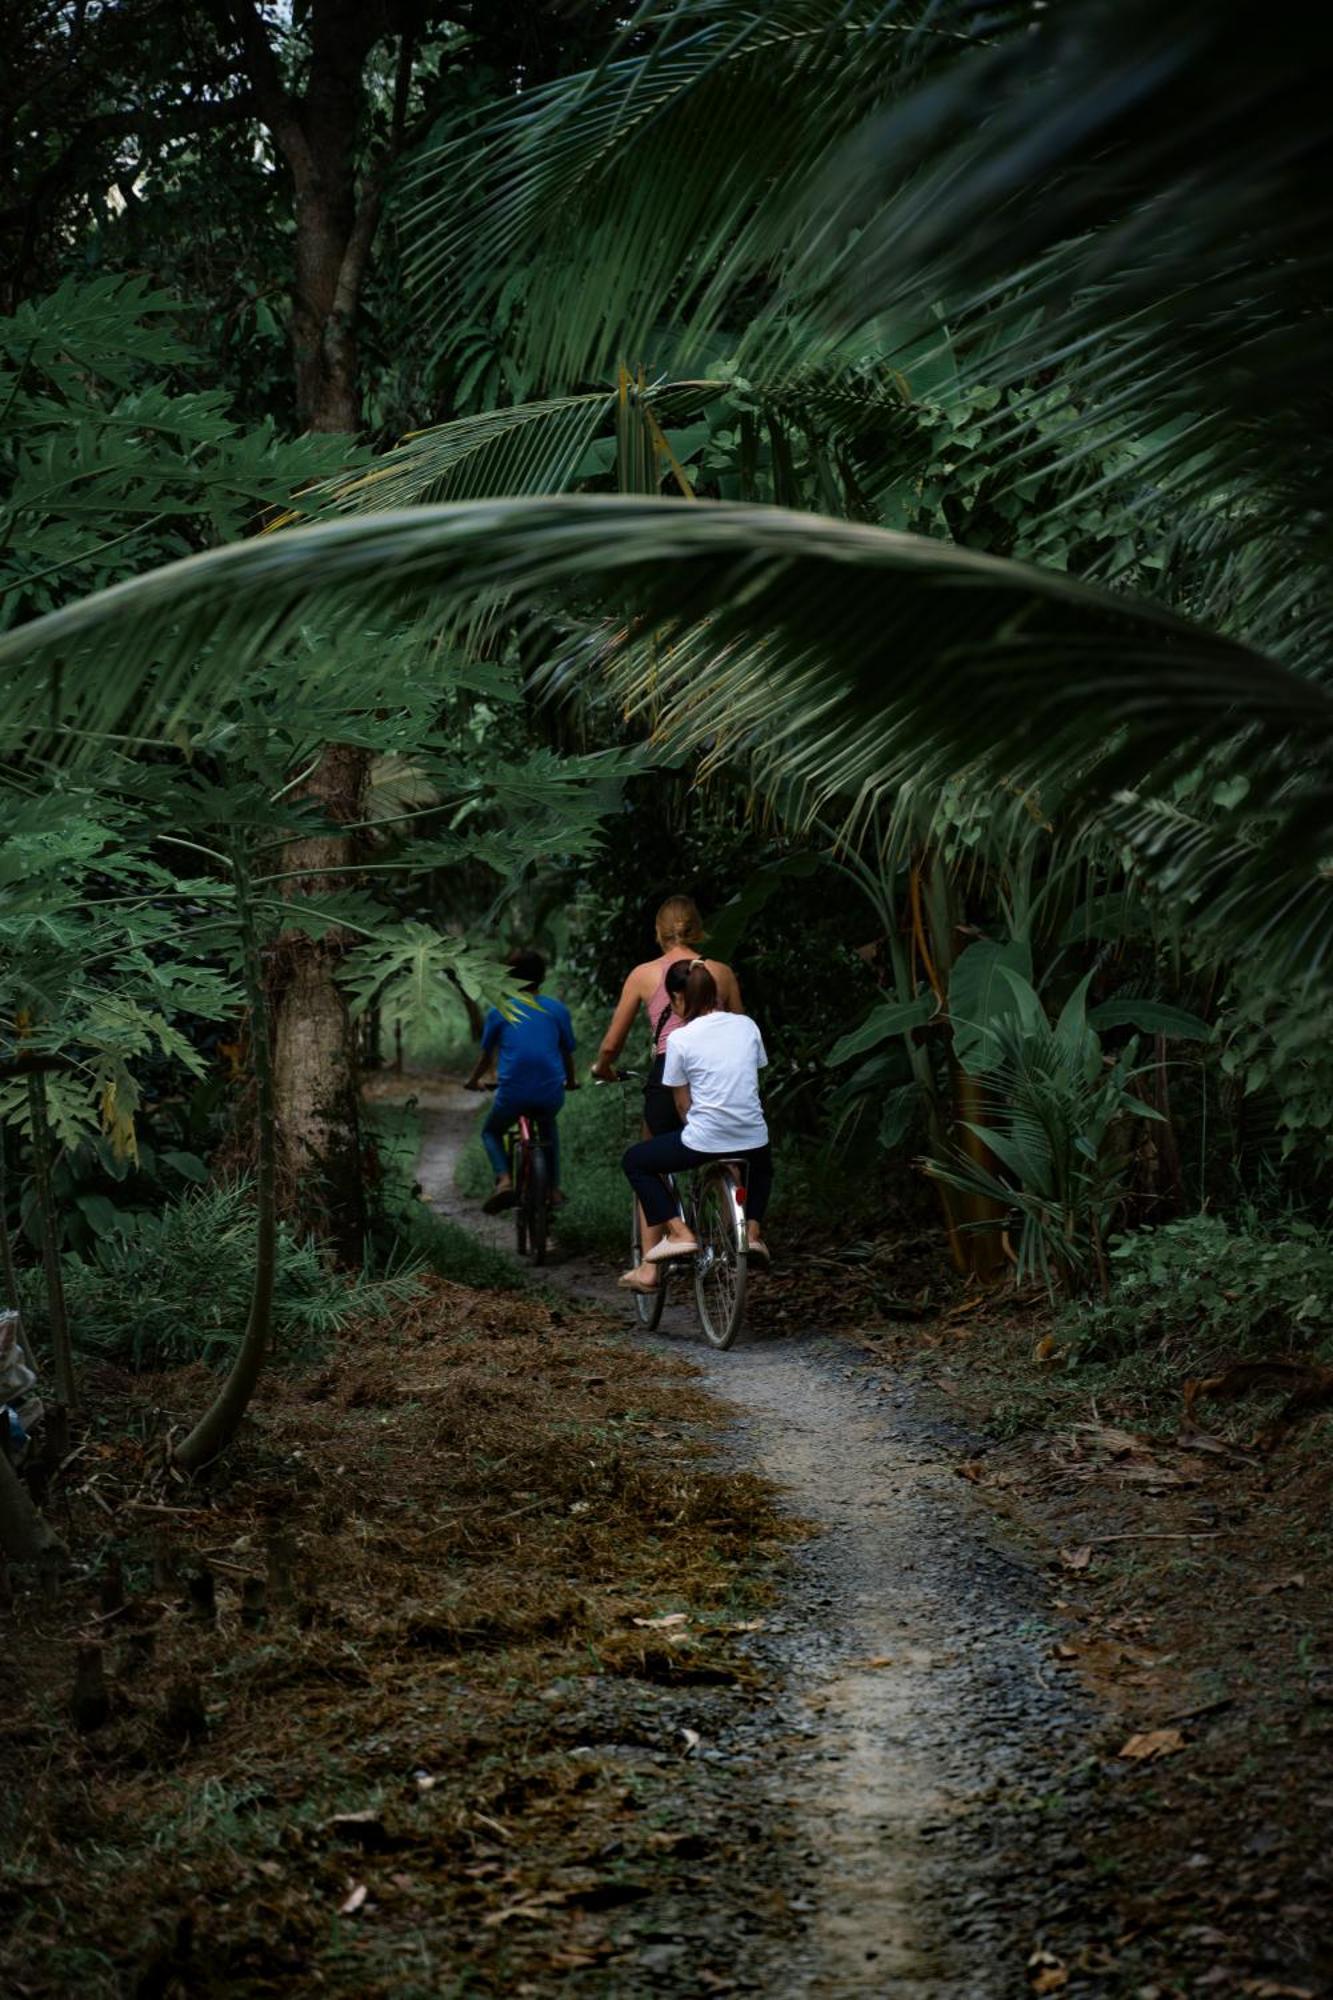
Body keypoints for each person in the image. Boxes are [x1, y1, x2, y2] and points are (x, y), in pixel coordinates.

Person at [618, 958, 772, 1292]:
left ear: (678, 1000)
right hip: (753, 1136)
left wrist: (697, 1128)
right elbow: (750, 1076)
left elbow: (681, 1103)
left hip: (705, 1139)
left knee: (636, 1161)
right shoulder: (747, 1026)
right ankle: (755, 1233)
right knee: (762, 1166)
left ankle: (678, 1232)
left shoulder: (680, 1039)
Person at [465, 950, 576, 1214]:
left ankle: (504, 1180)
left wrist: (473, 1081)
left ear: (509, 978)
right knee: (548, 1129)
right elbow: (566, 1053)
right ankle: (553, 1189)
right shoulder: (557, 1010)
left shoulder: (499, 1011)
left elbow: (485, 1056)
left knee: (491, 1132)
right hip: (550, 1092)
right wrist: (570, 1082)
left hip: (512, 1093)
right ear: (543, 978)